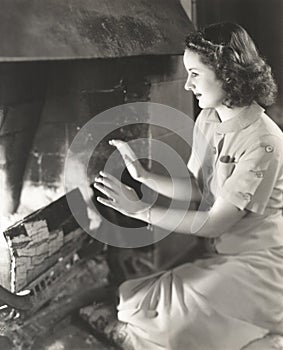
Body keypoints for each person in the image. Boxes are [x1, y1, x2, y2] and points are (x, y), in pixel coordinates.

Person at [93, 22, 283, 350]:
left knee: (168, 330)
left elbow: (214, 222)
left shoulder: (264, 141)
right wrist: (144, 177)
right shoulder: (209, 119)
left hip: (260, 261)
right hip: (221, 252)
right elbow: (196, 189)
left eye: (195, 73)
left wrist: (142, 210)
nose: (186, 85)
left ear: (227, 71)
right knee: (132, 302)